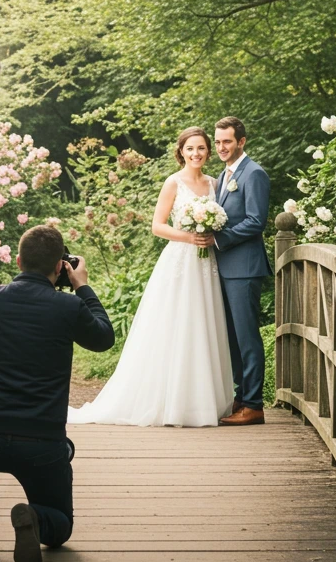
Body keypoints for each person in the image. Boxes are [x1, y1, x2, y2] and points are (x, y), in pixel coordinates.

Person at [0, 223, 114, 562]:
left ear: (17, 260)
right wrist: (82, 286)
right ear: (61, 267)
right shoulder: (67, 309)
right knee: (60, 527)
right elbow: (104, 338)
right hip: (42, 444)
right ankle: (35, 518)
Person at [67, 126, 234, 428]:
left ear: (208, 151)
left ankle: (204, 402)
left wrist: (209, 231)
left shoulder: (215, 183)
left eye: (201, 148)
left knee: (205, 323)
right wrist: (187, 236)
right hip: (180, 260)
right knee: (177, 324)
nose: (196, 153)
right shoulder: (173, 182)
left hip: (207, 262)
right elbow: (157, 226)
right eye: (190, 148)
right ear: (181, 152)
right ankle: (170, 403)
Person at [211, 116, 273, 425]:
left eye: (227, 141)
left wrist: (217, 239)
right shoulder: (225, 175)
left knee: (247, 338)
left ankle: (254, 404)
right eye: (218, 141)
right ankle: (241, 396)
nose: (221, 147)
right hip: (225, 268)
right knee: (233, 338)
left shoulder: (254, 173)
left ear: (242, 142)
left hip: (244, 268)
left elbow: (255, 221)